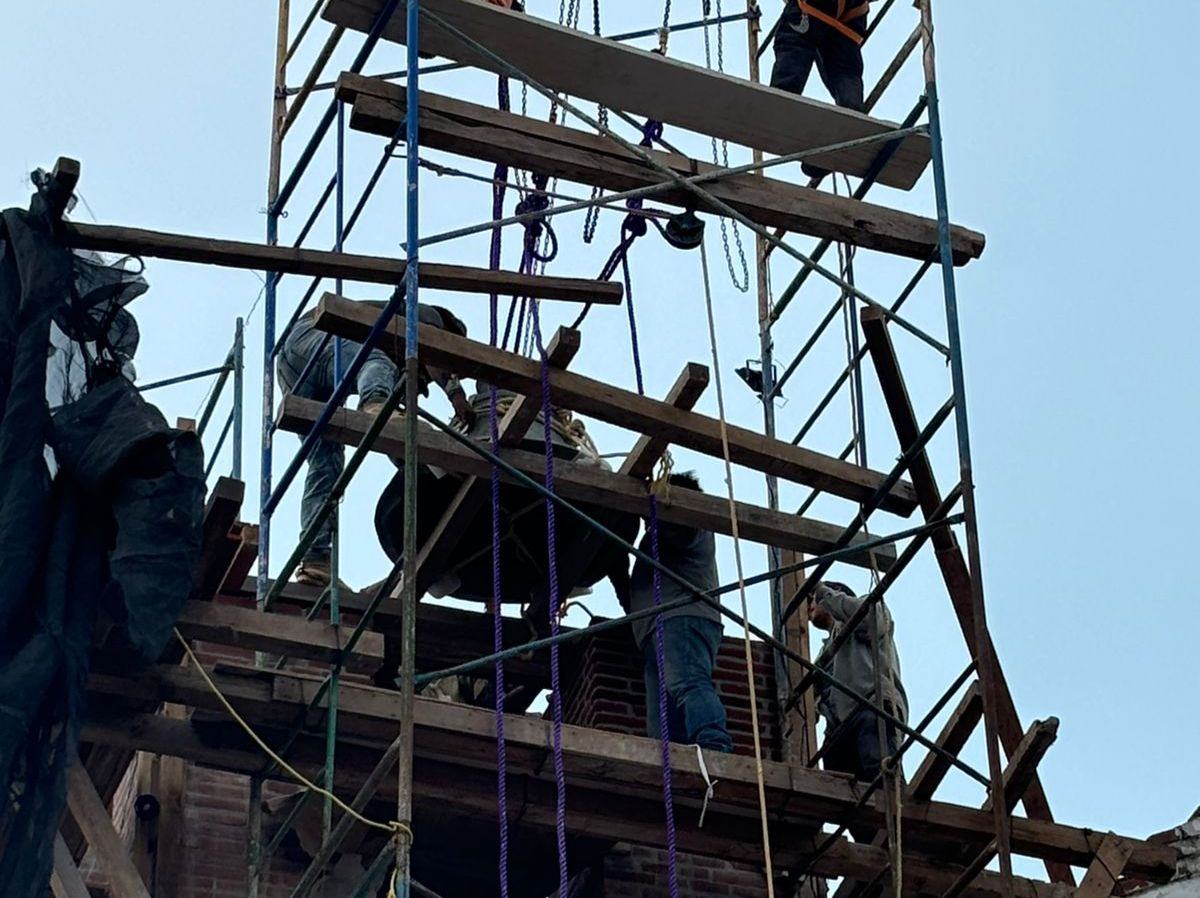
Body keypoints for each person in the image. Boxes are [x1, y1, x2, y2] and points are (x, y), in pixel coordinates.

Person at [277, 300, 474, 586]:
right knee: (375, 362)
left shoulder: (393, 343)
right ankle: (374, 402)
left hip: (295, 366)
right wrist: (456, 394)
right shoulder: (433, 318)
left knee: (326, 462)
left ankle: (315, 560)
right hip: (312, 336)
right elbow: (434, 352)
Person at [619, 472, 733, 753]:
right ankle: (671, 769)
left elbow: (680, 532)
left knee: (688, 682)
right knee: (662, 719)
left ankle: (714, 743)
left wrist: (656, 509)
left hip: (680, 618)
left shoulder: (693, 522)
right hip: (658, 628)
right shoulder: (658, 536)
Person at [808, 580, 907, 804]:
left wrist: (822, 591)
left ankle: (902, 831)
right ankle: (869, 836)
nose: (809, 606)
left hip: (870, 707)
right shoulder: (826, 652)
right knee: (844, 799)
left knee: (881, 778)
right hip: (840, 728)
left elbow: (869, 620)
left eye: (812, 599)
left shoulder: (869, 608)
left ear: (837, 593)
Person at [770, 1, 872, 177]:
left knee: (795, 47)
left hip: (816, 6)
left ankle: (780, 101)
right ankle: (849, 125)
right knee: (845, 73)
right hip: (854, 11)